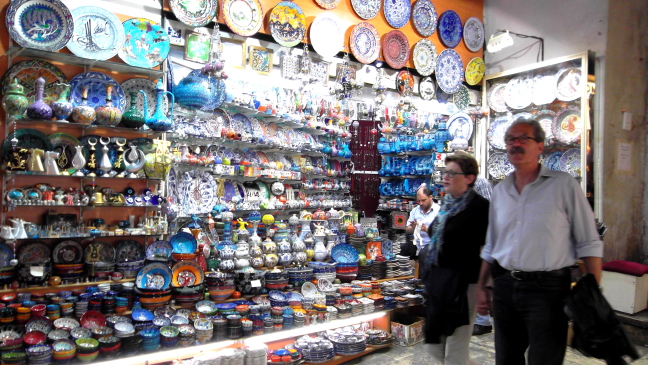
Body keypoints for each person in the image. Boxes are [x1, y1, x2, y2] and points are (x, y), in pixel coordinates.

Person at [476, 119, 603, 365]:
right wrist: (483, 285)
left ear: (540, 146)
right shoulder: (501, 190)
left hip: (548, 290)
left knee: (545, 359)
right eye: (511, 139)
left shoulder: (563, 185)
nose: (516, 144)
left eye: (524, 138)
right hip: (505, 287)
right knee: (506, 359)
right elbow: (491, 245)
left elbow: (589, 241)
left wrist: (593, 296)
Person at [418, 153, 489, 365]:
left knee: (456, 349)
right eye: (444, 172)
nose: (445, 177)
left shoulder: (480, 207)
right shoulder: (447, 206)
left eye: (452, 173)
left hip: (464, 285)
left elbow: (489, 249)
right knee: (433, 345)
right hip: (440, 283)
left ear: (469, 177)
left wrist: (485, 287)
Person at [473, 176, 494, 336]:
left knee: (482, 280)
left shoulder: (479, 182)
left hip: (482, 241)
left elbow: (488, 211)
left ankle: (483, 321)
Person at [406, 185, 440, 250]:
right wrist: (413, 227)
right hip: (417, 244)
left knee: (425, 252)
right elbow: (407, 230)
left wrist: (426, 229)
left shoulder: (438, 211)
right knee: (404, 248)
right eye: (418, 201)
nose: (421, 203)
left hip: (432, 245)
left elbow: (441, 233)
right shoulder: (415, 211)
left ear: (430, 197)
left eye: (423, 200)